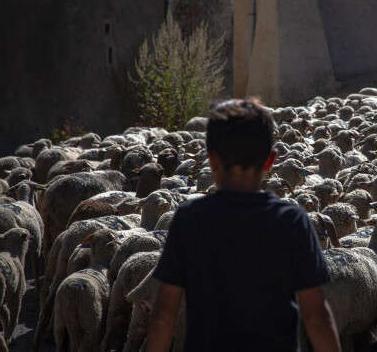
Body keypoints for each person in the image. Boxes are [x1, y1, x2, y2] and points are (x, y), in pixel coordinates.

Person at [146, 99, 341, 351]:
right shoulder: (292, 221)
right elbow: (316, 317)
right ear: (270, 161)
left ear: (211, 159)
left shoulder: (189, 219)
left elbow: (164, 315)